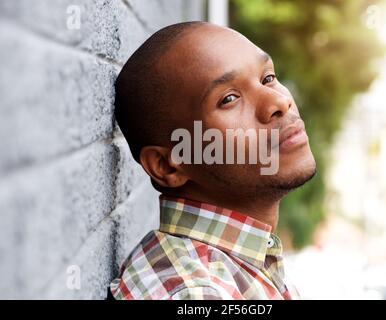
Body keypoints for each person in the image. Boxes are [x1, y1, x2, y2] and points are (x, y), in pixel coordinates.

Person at [109, 21, 316, 300]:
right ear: (168, 164)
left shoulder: (246, 265)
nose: (278, 102)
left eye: (267, 78)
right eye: (229, 99)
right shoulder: (193, 293)